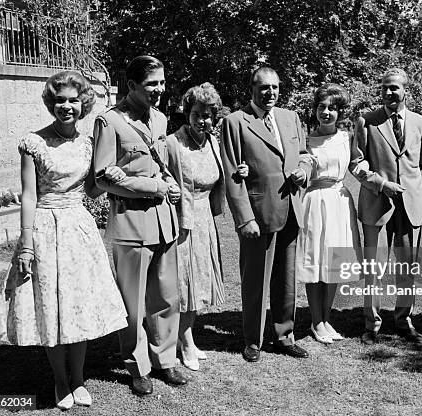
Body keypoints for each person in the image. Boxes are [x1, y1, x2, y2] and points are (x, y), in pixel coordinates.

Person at [0, 70, 128, 410]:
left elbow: (92, 189)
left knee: (77, 305)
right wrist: (25, 244)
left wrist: (112, 174)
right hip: (44, 229)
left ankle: (78, 378)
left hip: (79, 229)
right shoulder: (32, 142)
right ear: (51, 104)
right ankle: (60, 381)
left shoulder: (89, 143)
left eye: (73, 100)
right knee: (51, 306)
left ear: (84, 104)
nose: (67, 106)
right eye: (60, 100)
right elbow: (29, 197)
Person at [92, 56, 188, 395]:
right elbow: (103, 177)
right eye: (152, 84)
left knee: (166, 296)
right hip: (131, 222)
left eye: (162, 82)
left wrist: (168, 182)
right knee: (132, 303)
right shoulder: (110, 122)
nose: (159, 89)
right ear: (131, 85)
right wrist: (154, 186)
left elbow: (158, 163)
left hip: (164, 221)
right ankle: (137, 366)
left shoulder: (160, 118)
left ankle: (165, 360)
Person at [220, 66, 313, 362]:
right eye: (263, 87)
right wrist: (244, 218)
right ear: (252, 89)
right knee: (256, 280)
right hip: (258, 214)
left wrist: (305, 170)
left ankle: (285, 335)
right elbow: (232, 173)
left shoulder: (290, 118)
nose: (270, 92)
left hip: (291, 210)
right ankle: (253, 340)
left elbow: (305, 154)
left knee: (287, 280)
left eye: (274, 87)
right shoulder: (235, 122)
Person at [350, 68, 422, 344]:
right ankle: (371, 324)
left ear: (406, 90)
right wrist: (382, 184)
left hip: (410, 205)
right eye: (384, 87)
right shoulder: (367, 122)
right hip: (377, 204)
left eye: (394, 88)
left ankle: (403, 319)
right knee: (375, 268)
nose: (388, 93)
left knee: (407, 268)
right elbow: (356, 164)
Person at [294, 83, 361, 344]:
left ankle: (326, 318)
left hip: (339, 201)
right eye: (321, 107)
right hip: (314, 200)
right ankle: (315, 320)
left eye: (332, 108)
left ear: (340, 112)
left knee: (333, 263)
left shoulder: (348, 137)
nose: (326, 112)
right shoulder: (307, 140)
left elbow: (357, 164)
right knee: (315, 260)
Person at [167, 82, 227, 371]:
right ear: (186, 113)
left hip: (205, 219)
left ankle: (186, 337)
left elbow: (219, 176)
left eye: (207, 114)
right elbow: (159, 174)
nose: (202, 120)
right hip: (181, 221)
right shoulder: (172, 144)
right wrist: (168, 185)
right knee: (183, 284)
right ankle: (185, 340)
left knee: (199, 282)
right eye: (196, 114)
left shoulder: (213, 142)